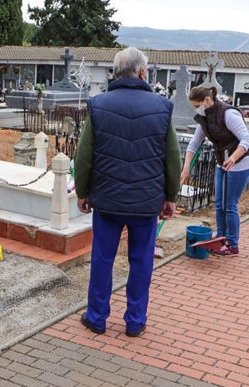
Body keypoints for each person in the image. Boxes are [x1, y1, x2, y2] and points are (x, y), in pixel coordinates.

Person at [75, 47, 181, 337]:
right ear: (143, 73)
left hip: (107, 200)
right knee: (141, 261)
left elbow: (84, 156)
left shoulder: (98, 105)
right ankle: (135, 320)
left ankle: (97, 317)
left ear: (116, 72)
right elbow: (172, 157)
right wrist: (170, 196)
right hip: (146, 203)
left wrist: (82, 191)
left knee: (102, 259)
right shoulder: (161, 106)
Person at [181, 85, 249, 257]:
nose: (196, 109)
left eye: (196, 105)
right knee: (219, 204)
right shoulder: (204, 117)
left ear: (206, 100)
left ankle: (232, 244)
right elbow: (194, 144)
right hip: (223, 163)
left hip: (241, 162)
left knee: (229, 206)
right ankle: (221, 239)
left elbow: (246, 139)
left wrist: (234, 158)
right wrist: (186, 168)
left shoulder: (228, 114)